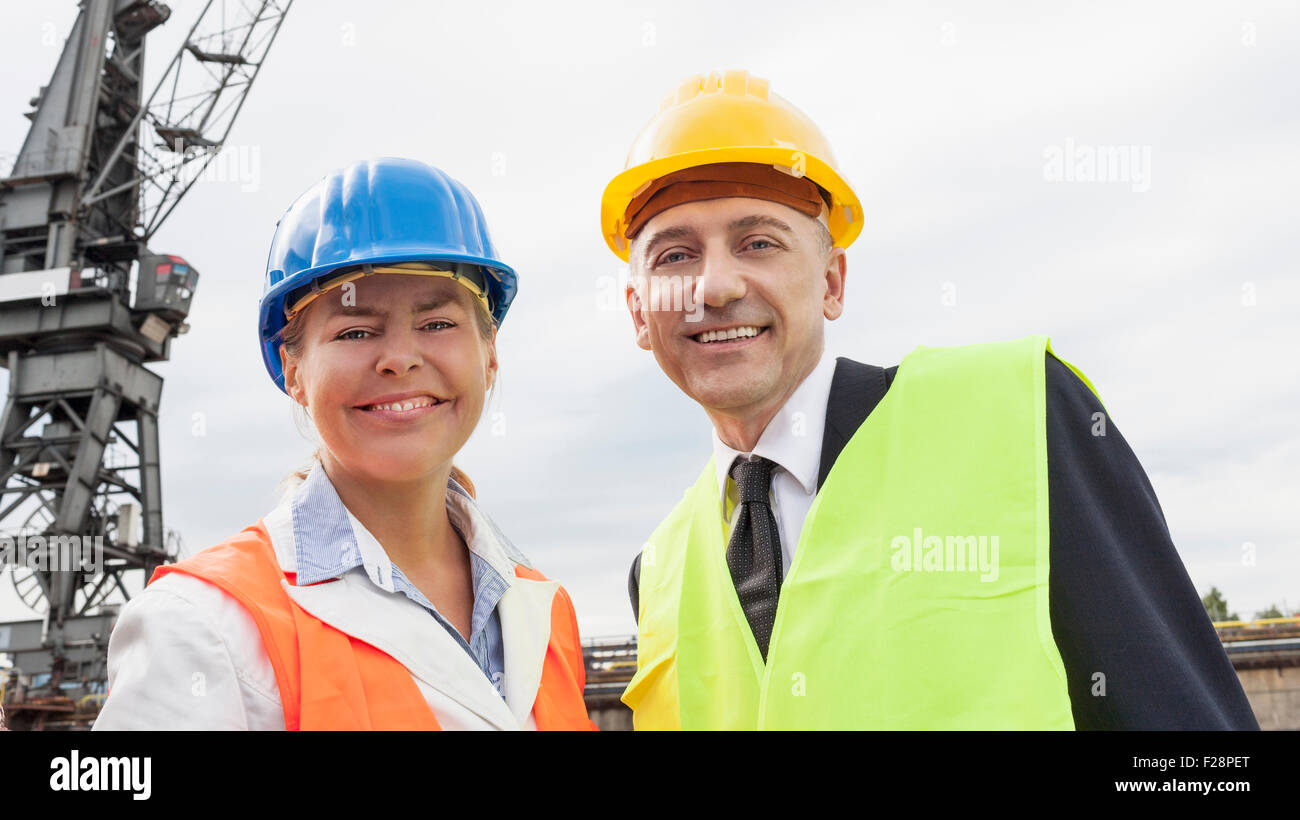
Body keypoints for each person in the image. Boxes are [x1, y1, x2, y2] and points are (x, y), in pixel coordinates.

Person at [605, 70, 1259, 730]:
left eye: (759, 243)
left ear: (832, 281)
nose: (714, 286)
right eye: (675, 256)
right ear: (638, 314)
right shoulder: (657, 575)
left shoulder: (1020, 418)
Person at [95, 157, 596, 730]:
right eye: (355, 331)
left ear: (490, 355)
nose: (400, 358)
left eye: (438, 324)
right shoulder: (204, 625)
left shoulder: (544, 612)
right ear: (294, 371)